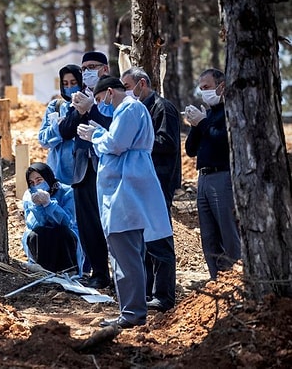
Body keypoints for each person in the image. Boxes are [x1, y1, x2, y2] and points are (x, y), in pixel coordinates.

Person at [77, 76, 173, 328]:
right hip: (123, 190)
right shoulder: (130, 111)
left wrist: (96, 134)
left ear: (109, 92)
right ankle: (132, 310)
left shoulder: (130, 108)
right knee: (127, 254)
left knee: (125, 255)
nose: (101, 106)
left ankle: (131, 314)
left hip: (124, 193)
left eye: (100, 100)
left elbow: (116, 143)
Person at [121, 67, 179, 312]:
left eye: (127, 87)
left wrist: (137, 140)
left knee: (160, 239)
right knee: (144, 241)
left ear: (141, 83)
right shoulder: (138, 110)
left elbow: (167, 142)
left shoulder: (162, 108)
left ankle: (164, 296)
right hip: (143, 183)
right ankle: (146, 292)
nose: (125, 93)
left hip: (159, 182)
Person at [58, 51, 113, 288]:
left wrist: (92, 109)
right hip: (82, 169)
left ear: (105, 69)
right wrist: (80, 110)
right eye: (84, 68)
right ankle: (99, 273)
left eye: (92, 66)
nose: (87, 72)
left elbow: (114, 126)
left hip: (108, 167)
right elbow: (65, 131)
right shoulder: (80, 97)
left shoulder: (113, 94)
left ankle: (125, 274)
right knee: (88, 224)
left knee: (112, 223)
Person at [184, 68, 241, 280]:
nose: (203, 92)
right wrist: (196, 125)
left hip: (222, 176)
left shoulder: (229, 112)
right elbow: (190, 150)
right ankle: (216, 279)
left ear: (221, 86)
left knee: (227, 230)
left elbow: (223, 140)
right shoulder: (207, 115)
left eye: (207, 87)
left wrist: (203, 123)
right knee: (208, 235)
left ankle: (237, 276)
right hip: (204, 178)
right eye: (201, 89)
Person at [22, 162, 83, 275]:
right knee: (38, 232)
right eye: (32, 183)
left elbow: (67, 221)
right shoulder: (29, 195)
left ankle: (69, 270)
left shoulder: (67, 192)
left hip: (65, 235)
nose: (36, 185)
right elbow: (34, 224)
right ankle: (43, 271)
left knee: (61, 231)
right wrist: (38, 207)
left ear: (47, 177)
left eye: (39, 180)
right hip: (41, 236)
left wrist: (49, 205)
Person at [38, 64, 82, 185]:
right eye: (65, 83)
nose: (69, 87)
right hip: (57, 172)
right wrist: (58, 128)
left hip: (82, 173)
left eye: (74, 83)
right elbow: (43, 139)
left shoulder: (89, 105)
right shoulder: (55, 106)